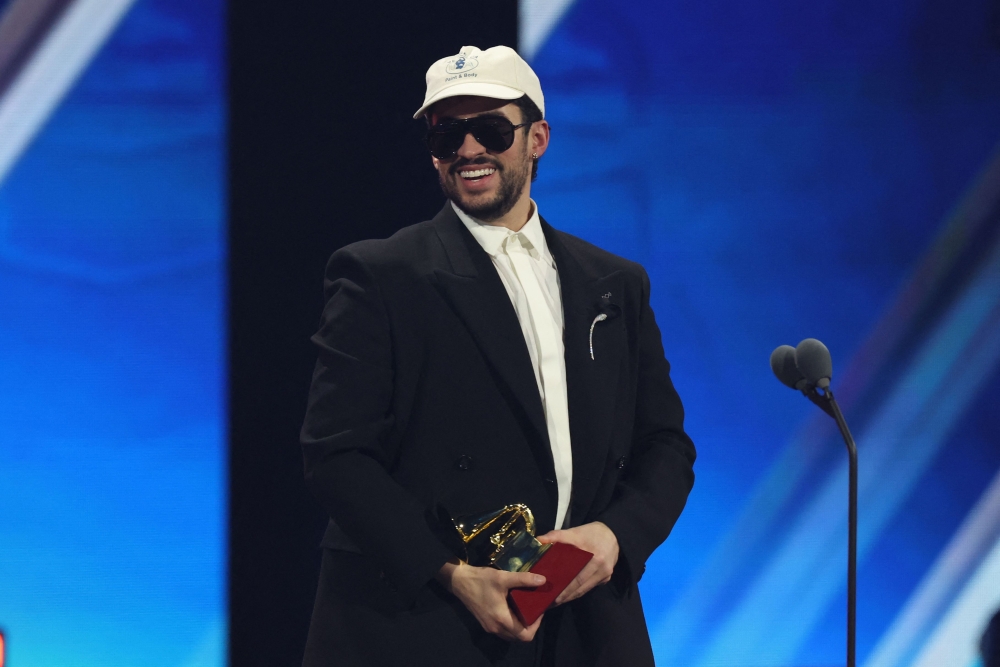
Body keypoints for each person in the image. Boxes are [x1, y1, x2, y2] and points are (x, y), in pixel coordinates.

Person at [299, 44, 696, 667]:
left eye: (489, 129)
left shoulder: (614, 283)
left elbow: (666, 445)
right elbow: (336, 454)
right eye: (445, 133)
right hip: (425, 625)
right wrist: (452, 573)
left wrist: (616, 537)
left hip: (582, 628)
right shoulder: (382, 275)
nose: (468, 150)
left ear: (536, 138)